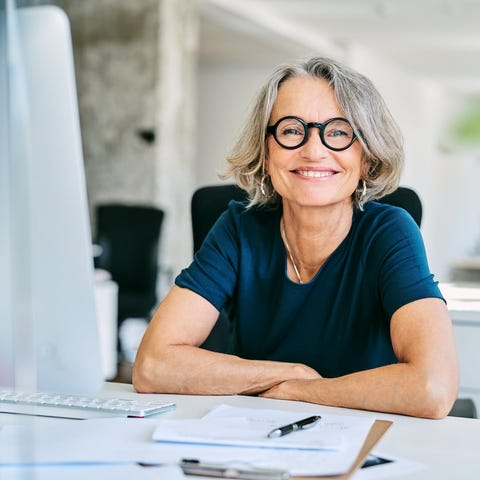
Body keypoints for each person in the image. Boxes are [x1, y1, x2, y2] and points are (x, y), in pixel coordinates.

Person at [133, 56, 459, 418]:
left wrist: (307, 391)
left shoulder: (390, 231)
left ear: (366, 156)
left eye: (338, 132)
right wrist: (290, 374)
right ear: (266, 151)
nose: (314, 150)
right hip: (256, 433)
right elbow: (152, 365)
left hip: (363, 439)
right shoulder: (239, 227)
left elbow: (433, 388)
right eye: (291, 130)